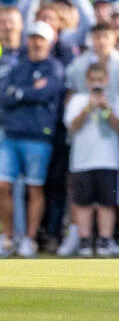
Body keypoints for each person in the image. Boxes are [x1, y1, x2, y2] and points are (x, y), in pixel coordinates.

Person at [0, 21, 64, 257]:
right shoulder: (18, 67)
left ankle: (29, 239)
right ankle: (8, 238)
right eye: (34, 38)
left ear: (49, 43)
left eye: (41, 39)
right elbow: (3, 96)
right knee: (3, 185)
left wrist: (19, 92)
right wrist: (29, 92)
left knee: (35, 188)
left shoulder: (54, 67)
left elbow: (46, 93)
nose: (37, 43)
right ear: (27, 40)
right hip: (12, 134)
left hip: (38, 137)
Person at [62, 63, 119, 257]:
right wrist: (88, 108)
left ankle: (105, 240)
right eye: (93, 80)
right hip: (82, 161)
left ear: (106, 80)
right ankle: (85, 241)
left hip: (108, 160)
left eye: (100, 80)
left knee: (107, 203)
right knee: (83, 203)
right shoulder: (78, 100)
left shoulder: (114, 99)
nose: (97, 83)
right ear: (87, 81)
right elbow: (72, 126)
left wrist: (107, 109)